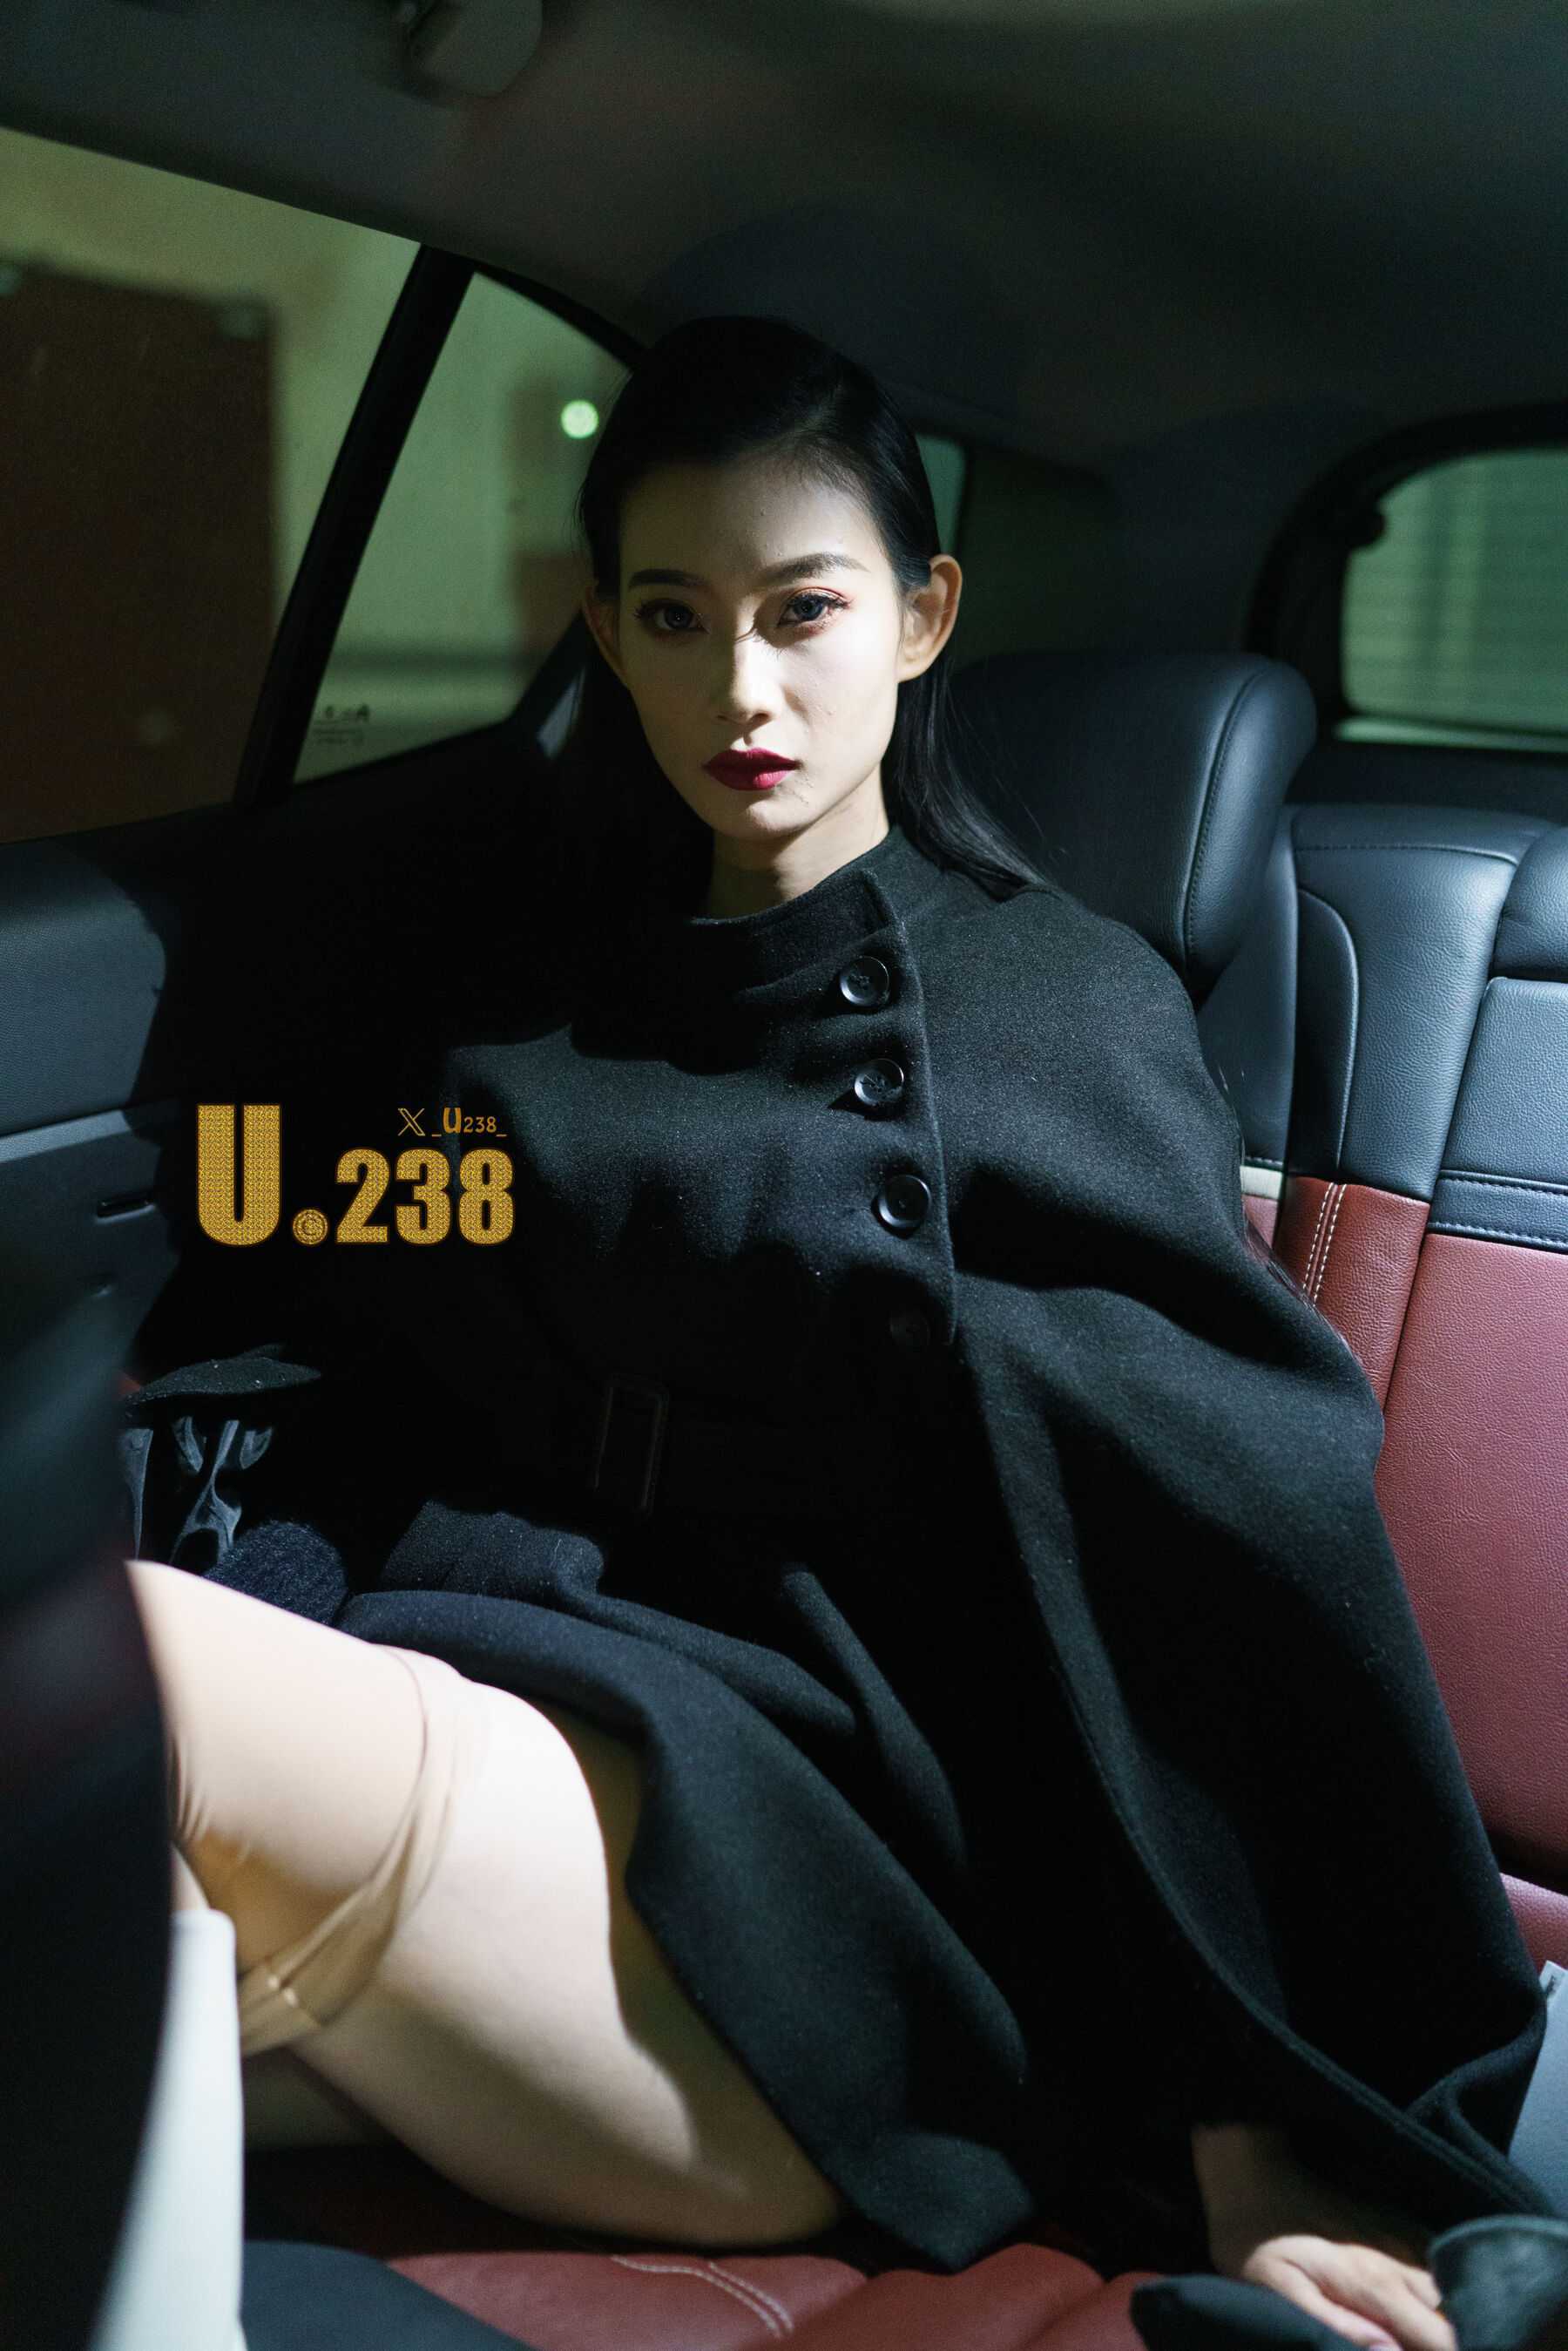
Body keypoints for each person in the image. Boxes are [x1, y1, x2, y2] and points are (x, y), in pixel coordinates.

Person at [122, 313, 1556, 2351]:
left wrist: (1255, 2134)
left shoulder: (1055, 1013)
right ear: (606, 638)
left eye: (803, 610)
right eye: (675, 616)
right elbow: (332, 1251)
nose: (743, 688)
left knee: (113, 1675)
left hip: (810, 1919)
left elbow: (1204, 1564)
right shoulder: (528, 995)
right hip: (487, 1712)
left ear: (921, 615)